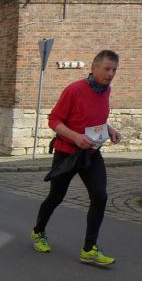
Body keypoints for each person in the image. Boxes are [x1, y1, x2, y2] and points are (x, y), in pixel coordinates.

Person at [31, 50, 122, 266]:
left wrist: (109, 129)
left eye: (114, 70)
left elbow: (94, 118)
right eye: (107, 69)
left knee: (100, 196)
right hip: (67, 153)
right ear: (94, 67)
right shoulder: (74, 90)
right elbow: (54, 120)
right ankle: (38, 231)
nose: (110, 74)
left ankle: (89, 249)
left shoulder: (106, 91)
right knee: (56, 196)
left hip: (91, 153)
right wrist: (76, 137)